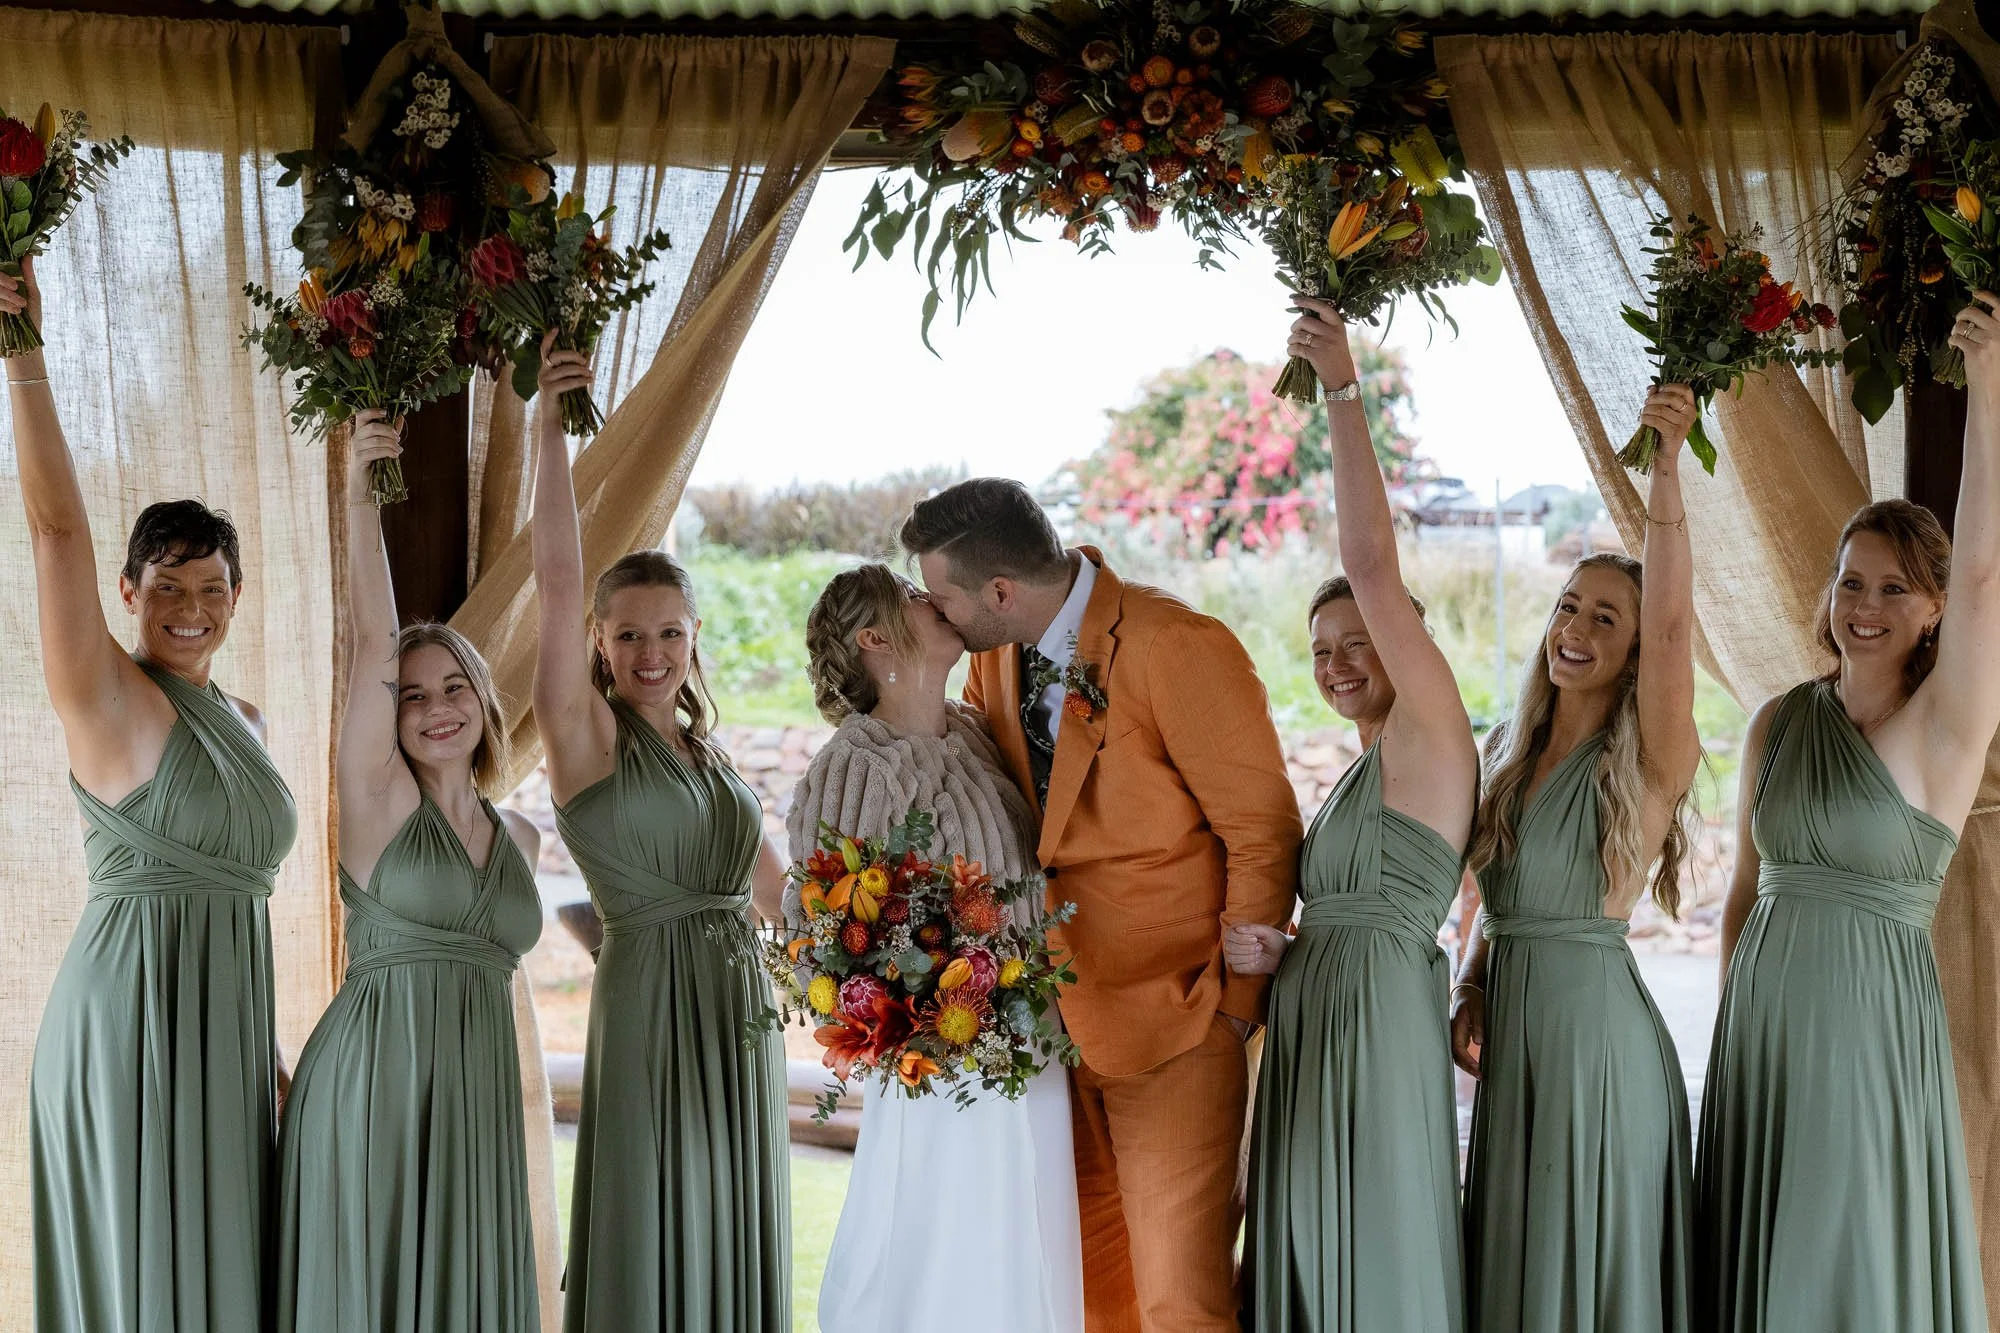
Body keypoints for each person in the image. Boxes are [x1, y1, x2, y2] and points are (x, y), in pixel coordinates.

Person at [901, 478, 1301, 1333]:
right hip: (1049, 1030)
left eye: (943, 599)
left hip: (1178, 1025)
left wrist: (1233, 1013)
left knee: (1180, 1300)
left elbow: (1263, 832)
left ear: (1000, 591)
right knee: (1087, 1294)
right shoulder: (993, 653)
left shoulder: (1177, 644)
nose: (937, 615)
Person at [1694, 295, 2000, 1332]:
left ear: (1931, 611)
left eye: (1890, 590)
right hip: (1761, 1041)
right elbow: (1740, 894)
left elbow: (1985, 570)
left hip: (1870, 1040)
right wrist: (1730, 1043)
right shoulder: (1777, 721)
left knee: (1849, 1260)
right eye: (1847, 582)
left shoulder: (1944, 731)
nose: (1861, 606)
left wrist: (1990, 390)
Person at [8, 258, 298, 1330]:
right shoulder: (108, 697)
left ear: (234, 598)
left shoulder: (253, 724)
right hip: (128, 1024)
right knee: (144, 1288)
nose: (189, 606)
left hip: (226, 1032)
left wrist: (264, 1048)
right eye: (166, 585)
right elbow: (55, 533)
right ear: (127, 593)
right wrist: (22, 348)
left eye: (210, 587)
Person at [528, 335, 789, 1332]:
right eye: (628, 632)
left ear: (693, 637)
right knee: (655, 1204)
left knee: (731, 1206)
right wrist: (548, 427)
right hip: (650, 1004)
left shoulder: (711, 756)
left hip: (740, 1010)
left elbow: (779, 895)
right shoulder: (585, 738)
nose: (650, 651)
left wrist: (887, 950)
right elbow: (557, 580)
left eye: (669, 631)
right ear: (599, 640)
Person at [1225, 296, 1476, 1333]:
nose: (1334, 662)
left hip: (1373, 1030)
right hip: (1318, 1019)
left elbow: (1371, 563)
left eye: (1356, 640)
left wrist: (1338, 390)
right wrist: (1292, 954)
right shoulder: (1359, 765)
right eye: (1320, 647)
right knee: (1304, 1229)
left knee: (1369, 1236)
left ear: (1405, 641)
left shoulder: (1430, 726)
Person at [273, 412, 543, 1331]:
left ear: (483, 699)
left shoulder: (523, 842)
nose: (434, 708)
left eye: (455, 686)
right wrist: (360, 495)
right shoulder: (380, 800)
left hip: (477, 1103)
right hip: (373, 1084)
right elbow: (373, 642)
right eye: (415, 694)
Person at [1451, 385, 1704, 1332]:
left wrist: (1667, 469)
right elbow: (1493, 897)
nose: (1577, 628)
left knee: (1589, 1264)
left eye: (1607, 619)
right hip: (1515, 1032)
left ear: (1638, 652)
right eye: (1570, 607)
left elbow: (1679, 624)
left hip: (1596, 1045)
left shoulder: (1645, 762)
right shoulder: (1505, 756)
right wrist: (1470, 978)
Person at [787, 563, 1084, 1332]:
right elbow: (827, 927)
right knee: (953, 1254)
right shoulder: (857, 762)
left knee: (1030, 1248)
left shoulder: (976, 734)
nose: (940, 601)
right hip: (943, 1063)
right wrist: (932, 1010)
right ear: (876, 637)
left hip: (1031, 1043)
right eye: (917, 598)